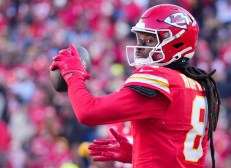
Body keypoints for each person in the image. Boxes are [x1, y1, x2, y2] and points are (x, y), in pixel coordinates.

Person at [50, 4, 220, 168]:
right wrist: (136, 153)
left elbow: (88, 112)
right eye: (141, 39)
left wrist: (73, 75)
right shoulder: (201, 86)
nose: (140, 47)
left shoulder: (163, 79)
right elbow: (178, 150)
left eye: (150, 40)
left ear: (176, 43)